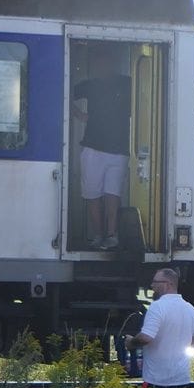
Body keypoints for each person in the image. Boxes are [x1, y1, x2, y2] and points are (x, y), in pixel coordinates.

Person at [126, 267, 194, 388]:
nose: (152, 286)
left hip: (156, 380)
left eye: (155, 282)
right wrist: (182, 347)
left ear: (168, 284)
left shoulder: (157, 307)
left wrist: (131, 343)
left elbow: (146, 337)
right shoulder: (189, 308)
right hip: (181, 378)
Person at [72, 66, 132, 250]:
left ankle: (112, 236)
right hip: (93, 149)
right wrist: (79, 115)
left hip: (119, 150)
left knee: (113, 195)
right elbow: (62, 92)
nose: (103, 63)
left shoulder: (127, 83)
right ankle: (99, 235)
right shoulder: (91, 85)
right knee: (93, 195)